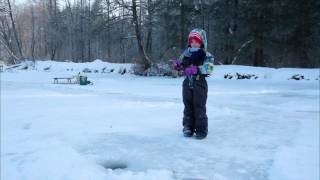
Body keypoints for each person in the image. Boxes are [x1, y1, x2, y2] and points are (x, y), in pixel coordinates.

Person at [173, 28, 214, 140]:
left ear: (201, 42)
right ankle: (188, 127)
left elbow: (209, 68)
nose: (194, 43)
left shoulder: (206, 55)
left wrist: (197, 69)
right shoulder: (186, 54)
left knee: (199, 106)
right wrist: (177, 66)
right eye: (192, 41)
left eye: (197, 41)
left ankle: (201, 129)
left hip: (199, 83)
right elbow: (180, 66)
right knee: (188, 105)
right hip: (187, 83)